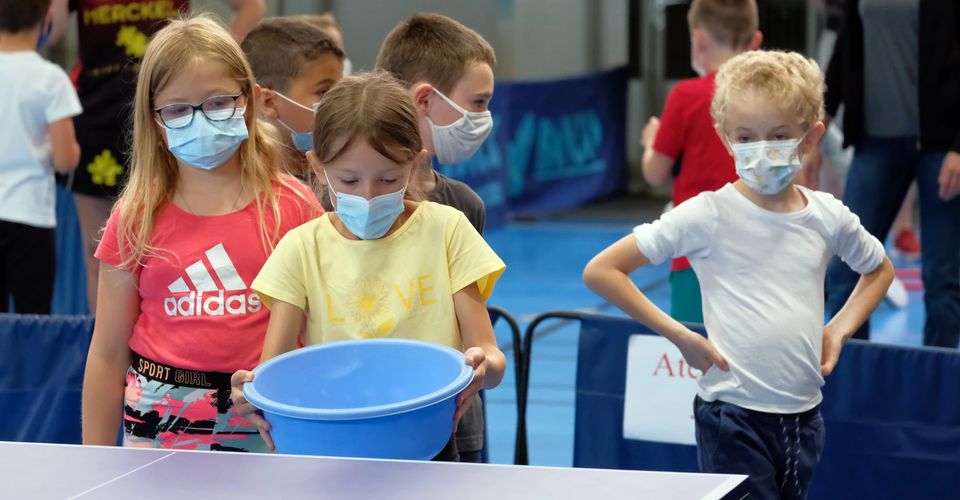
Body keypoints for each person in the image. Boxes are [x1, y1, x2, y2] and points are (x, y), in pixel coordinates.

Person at [583, 50, 894, 499]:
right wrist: (680, 336)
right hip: (732, 416)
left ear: (810, 139)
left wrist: (839, 330)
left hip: (804, 417)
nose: (761, 150)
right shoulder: (708, 215)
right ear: (726, 139)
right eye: (746, 137)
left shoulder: (827, 216)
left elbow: (879, 268)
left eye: (779, 135)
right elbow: (603, 270)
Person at [230, 71, 507, 462]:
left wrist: (481, 369)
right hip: (334, 445)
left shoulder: (447, 231)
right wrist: (250, 395)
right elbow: (272, 374)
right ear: (317, 165)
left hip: (427, 440)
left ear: (415, 164)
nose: (369, 194)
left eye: (388, 178)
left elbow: (492, 360)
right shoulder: (300, 248)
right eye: (349, 179)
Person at [81, 16, 320, 451]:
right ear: (154, 121)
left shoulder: (296, 206)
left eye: (217, 103)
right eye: (176, 109)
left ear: (247, 100)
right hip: (160, 415)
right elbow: (107, 353)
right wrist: (94, 462)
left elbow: (323, 331)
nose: (200, 120)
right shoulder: (135, 216)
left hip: (268, 412)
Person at [49, 0, 266, 313]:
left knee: (186, 245)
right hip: (99, 121)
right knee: (101, 251)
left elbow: (252, 7)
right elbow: (48, 31)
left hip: (180, 119)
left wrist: (220, 71)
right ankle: (108, 337)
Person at [823, 0, 960, 347]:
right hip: (876, 143)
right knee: (844, 272)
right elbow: (846, 49)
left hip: (941, 146)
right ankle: (851, 382)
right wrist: (819, 121)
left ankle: (937, 389)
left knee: (943, 280)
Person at [640, 0, 762, 323]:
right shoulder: (768, 98)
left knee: (697, 356)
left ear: (698, 40)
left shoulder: (686, 96)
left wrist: (652, 142)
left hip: (696, 254)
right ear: (756, 42)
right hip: (760, 252)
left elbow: (655, 173)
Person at [0, 0, 82, 314]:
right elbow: (65, 160)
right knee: (33, 318)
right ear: (46, 19)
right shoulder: (50, 79)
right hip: (29, 214)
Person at [241, 16, 344, 179]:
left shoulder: (346, 176)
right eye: (324, 92)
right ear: (268, 103)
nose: (339, 103)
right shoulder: (241, 184)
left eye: (340, 90)